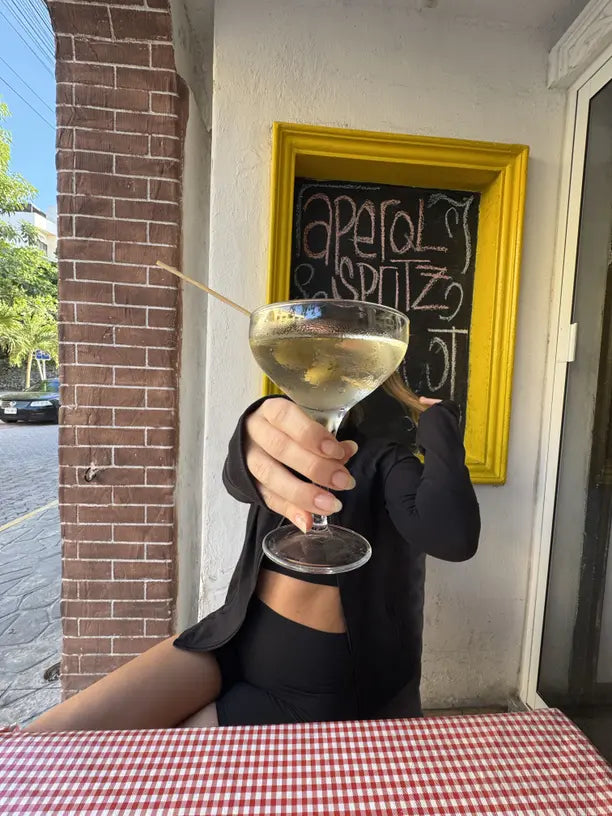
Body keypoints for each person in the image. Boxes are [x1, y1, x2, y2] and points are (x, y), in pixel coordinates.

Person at [26, 375, 480, 732]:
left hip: (308, 690)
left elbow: (452, 537)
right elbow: (236, 478)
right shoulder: (287, 451)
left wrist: (442, 426)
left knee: (142, 779)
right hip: (231, 639)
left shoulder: (386, 460)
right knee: (50, 739)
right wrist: (247, 433)